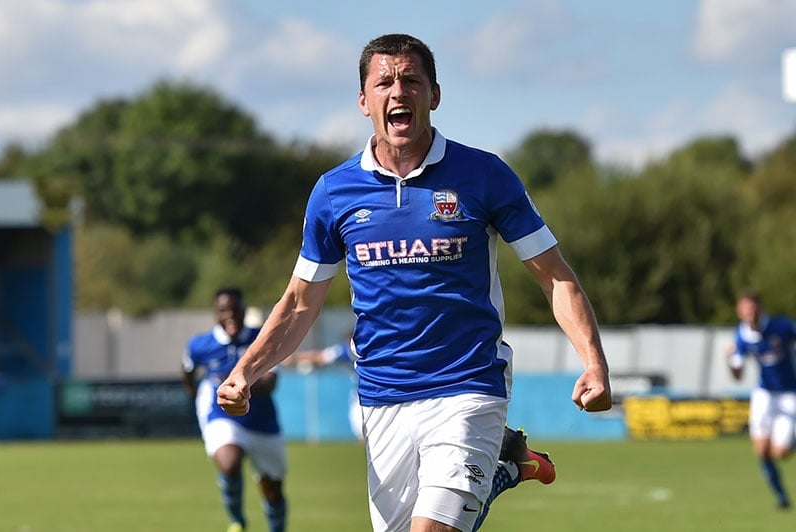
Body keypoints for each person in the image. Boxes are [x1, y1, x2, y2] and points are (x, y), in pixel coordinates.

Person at [217, 33, 611, 532]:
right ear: (364, 101)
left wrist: (594, 365)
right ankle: (503, 467)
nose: (397, 92)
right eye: (383, 82)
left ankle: (492, 468)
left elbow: (555, 276)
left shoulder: (484, 175)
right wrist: (245, 372)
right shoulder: (334, 192)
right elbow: (299, 304)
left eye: (411, 80)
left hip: (468, 385)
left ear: (434, 95)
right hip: (382, 399)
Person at [183, 287, 288, 532]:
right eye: (223, 310)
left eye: (235, 309)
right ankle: (237, 521)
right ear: (215, 313)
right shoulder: (201, 345)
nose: (230, 315)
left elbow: (271, 382)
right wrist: (195, 391)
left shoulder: (261, 338)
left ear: (243, 310)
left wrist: (241, 386)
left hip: (263, 422)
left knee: (272, 490)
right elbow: (187, 369)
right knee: (229, 463)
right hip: (223, 418)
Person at [726, 291, 796, 510]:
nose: (749, 312)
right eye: (745, 309)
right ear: (739, 311)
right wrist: (729, 359)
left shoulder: (782, 326)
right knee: (762, 451)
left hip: (788, 393)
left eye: (752, 308)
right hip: (764, 393)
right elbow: (737, 376)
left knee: (781, 453)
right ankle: (781, 497)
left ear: (759, 308)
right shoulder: (741, 335)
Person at [282, 333, 364, 442]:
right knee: (362, 433)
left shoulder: (372, 350)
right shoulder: (345, 351)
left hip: (378, 394)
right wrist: (294, 358)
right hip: (359, 397)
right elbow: (320, 356)